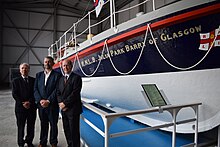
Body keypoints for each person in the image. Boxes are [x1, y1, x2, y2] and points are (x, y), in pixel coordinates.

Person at [34, 56, 61, 147]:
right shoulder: (38, 75)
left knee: (53, 125)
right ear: (43, 63)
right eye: (45, 62)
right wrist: (40, 100)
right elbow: (35, 89)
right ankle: (42, 142)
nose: (47, 63)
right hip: (41, 105)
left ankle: (53, 142)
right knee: (43, 124)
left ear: (53, 63)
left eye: (49, 62)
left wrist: (48, 100)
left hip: (52, 105)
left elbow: (57, 90)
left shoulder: (57, 75)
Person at [57, 59, 82, 147]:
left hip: (73, 110)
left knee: (74, 131)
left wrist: (65, 104)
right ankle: (69, 145)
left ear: (71, 66)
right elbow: (58, 93)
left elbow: (75, 93)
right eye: (64, 66)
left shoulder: (77, 78)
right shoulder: (60, 79)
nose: (65, 67)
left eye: (67, 65)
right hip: (64, 110)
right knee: (66, 130)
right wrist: (61, 103)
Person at [12, 63, 37, 147]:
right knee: (21, 126)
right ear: (20, 70)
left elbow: (35, 93)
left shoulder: (33, 80)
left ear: (29, 70)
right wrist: (23, 103)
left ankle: (29, 141)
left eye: (26, 68)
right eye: (22, 68)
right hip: (20, 108)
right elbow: (14, 94)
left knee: (31, 126)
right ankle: (21, 143)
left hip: (31, 107)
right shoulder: (15, 81)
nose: (24, 70)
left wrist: (29, 102)